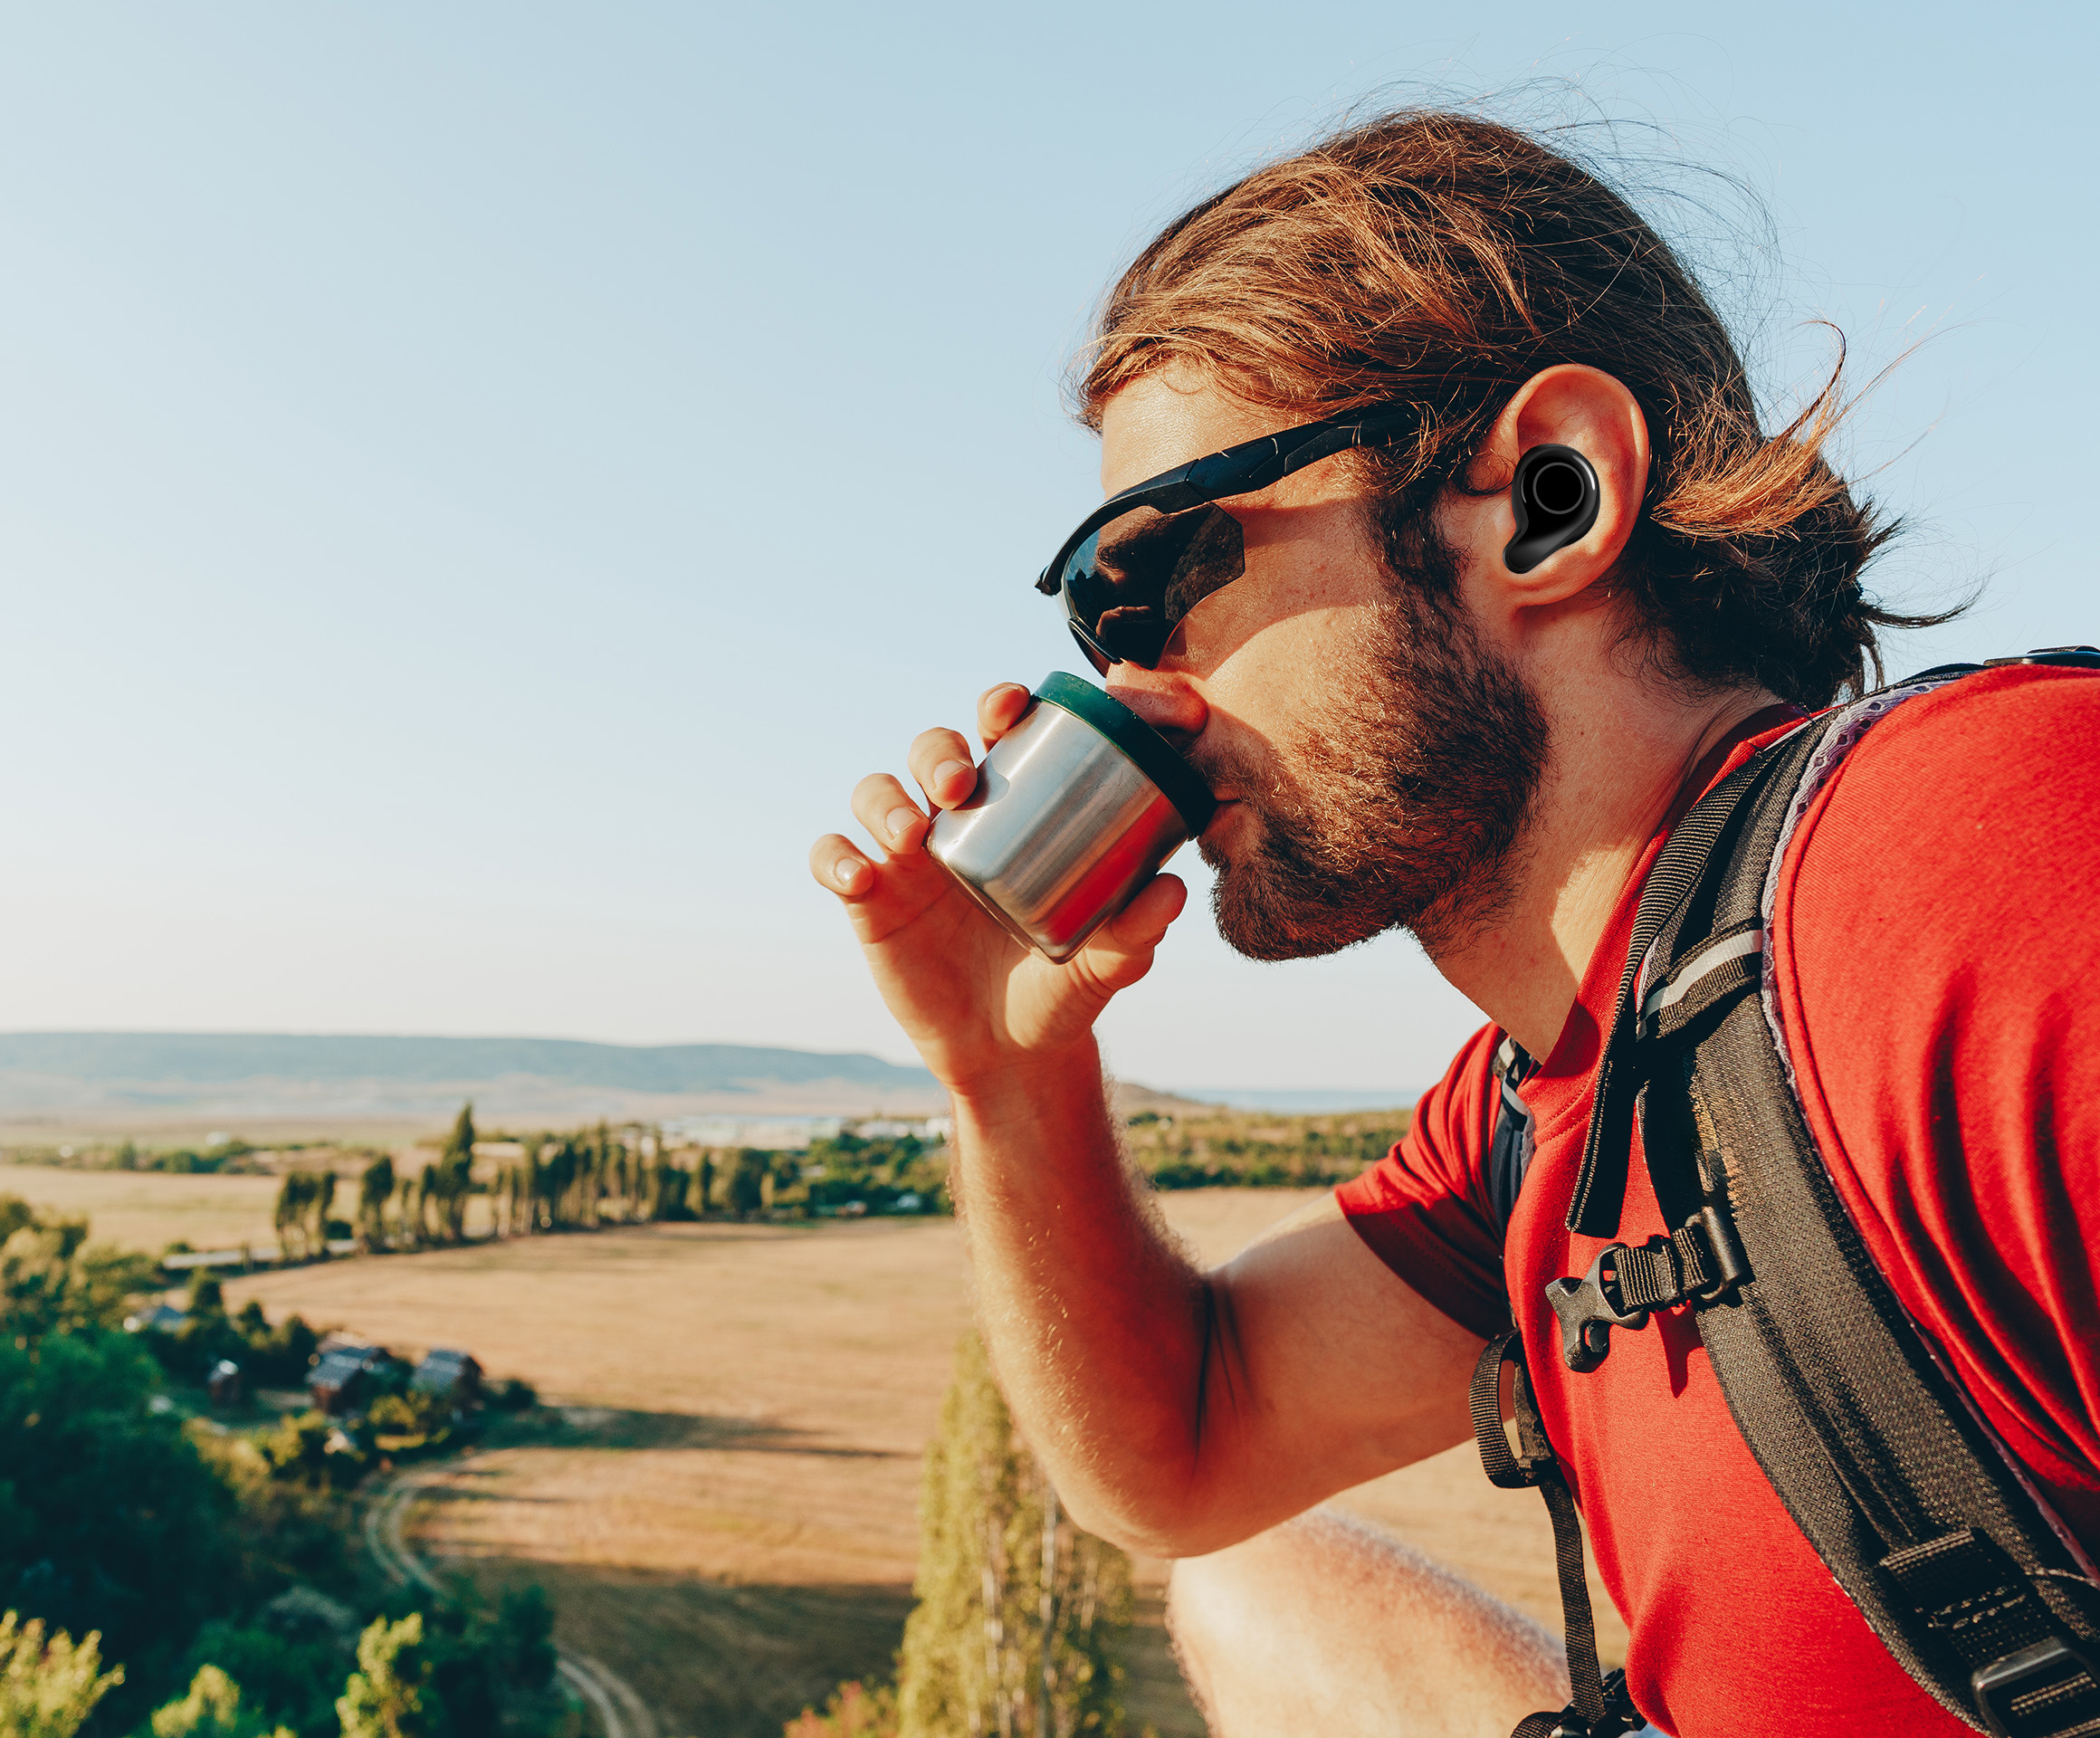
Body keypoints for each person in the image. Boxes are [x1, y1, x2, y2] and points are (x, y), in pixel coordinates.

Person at [808, 110, 2099, 1738]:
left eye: (1169, 567)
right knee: (1263, 1595)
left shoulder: (1981, 867)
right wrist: (1008, 1077)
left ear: (1547, 497)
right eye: (1102, 617)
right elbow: (1187, 1448)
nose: (1133, 681)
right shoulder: (1562, 1089)